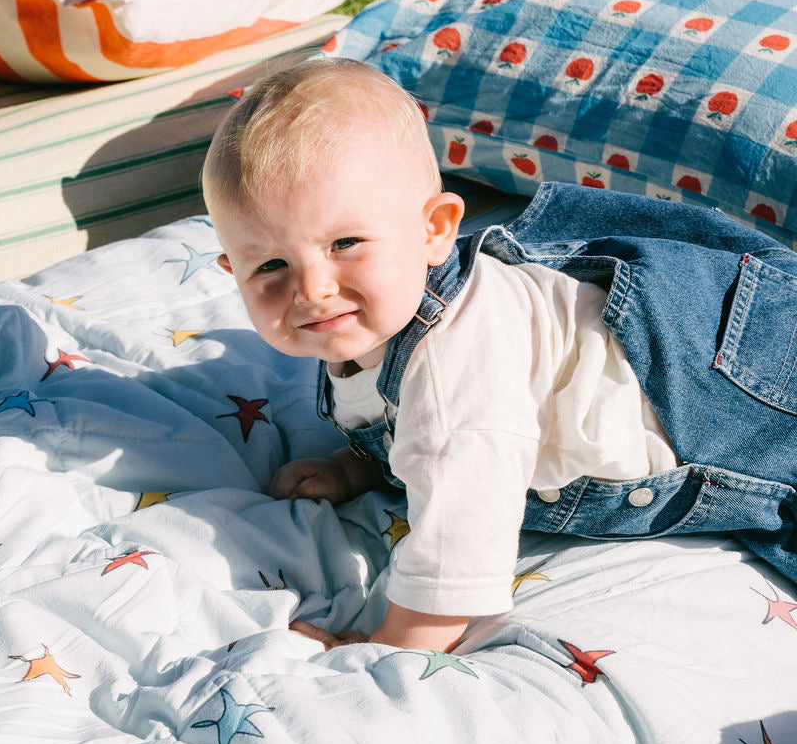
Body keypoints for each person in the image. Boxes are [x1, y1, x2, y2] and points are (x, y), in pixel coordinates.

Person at [202, 55, 797, 653]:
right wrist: (359, 465)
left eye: (345, 244)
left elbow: (460, 538)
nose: (313, 290)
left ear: (434, 231)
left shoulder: (452, 366)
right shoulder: (374, 323)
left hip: (747, 401)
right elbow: (412, 428)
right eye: (271, 265)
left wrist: (392, 645)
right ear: (232, 270)